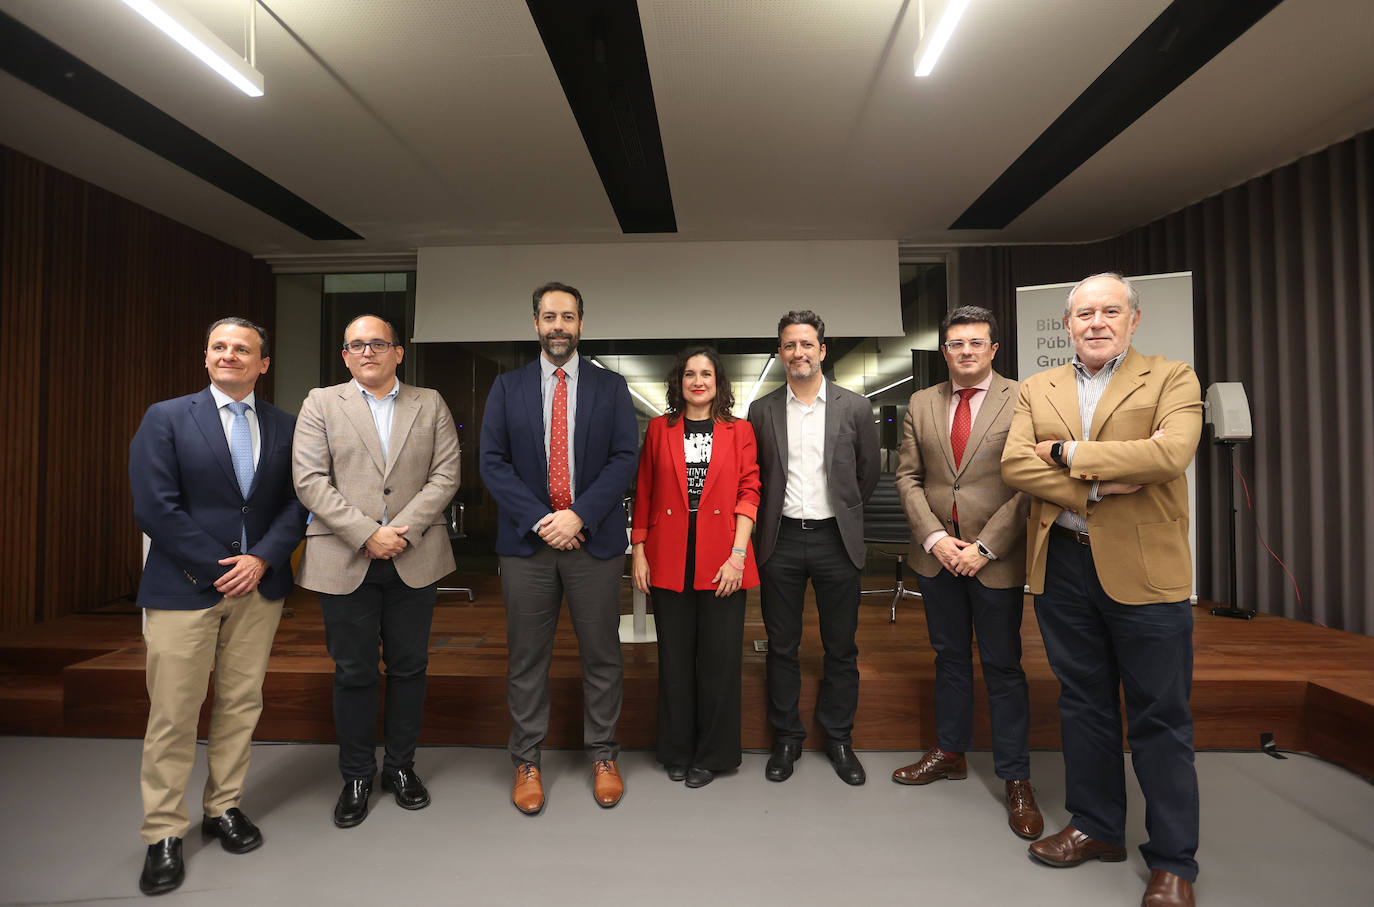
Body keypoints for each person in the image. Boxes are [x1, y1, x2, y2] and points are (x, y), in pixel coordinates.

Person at [1001, 273, 1203, 907]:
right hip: (1062, 564)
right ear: (1067, 324)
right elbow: (1013, 463)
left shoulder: (1173, 378)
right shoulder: (1038, 386)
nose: (1096, 323)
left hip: (1145, 571)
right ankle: (1095, 826)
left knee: (1159, 716)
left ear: (1133, 320)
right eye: (1083, 313)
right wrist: (1092, 486)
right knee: (1083, 703)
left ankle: (1173, 862)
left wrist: (1064, 451)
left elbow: (1169, 455)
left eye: (1109, 312)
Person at [129, 317, 307, 896]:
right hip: (184, 588)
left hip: (258, 588)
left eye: (242, 349)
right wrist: (219, 567)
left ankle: (223, 806)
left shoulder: (285, 425)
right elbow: (156, 506)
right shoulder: (167, 418)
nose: (229, 356)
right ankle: (163, 832)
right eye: (219, 347)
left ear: (264, 363)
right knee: (174, 714)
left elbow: (295, 504)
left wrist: (262, 561)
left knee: (239, 703)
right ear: (206, 358)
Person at [292, 315, 460, 829]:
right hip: (344, 558)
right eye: (357, 345)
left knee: (410, 669)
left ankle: (402, 768)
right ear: (344, 355)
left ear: (398, 352)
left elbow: (446, 474)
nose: (368, 352)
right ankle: (358, 774)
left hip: (416, 556)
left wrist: (400, 529)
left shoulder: (428, 402)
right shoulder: (320, 403)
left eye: (378, 344)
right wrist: (367, 532)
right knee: (354, 671)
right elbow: (309, 479)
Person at [479, 281, 639, 814]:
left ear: (580, 324)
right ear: (535, 324)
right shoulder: (507, 387)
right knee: (528, 659)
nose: (558, 326)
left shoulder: (610, 387)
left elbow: (623, 460)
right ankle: (526, 760)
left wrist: (578, 516)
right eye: (549, 316)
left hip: (593, 542)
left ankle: (603, 754)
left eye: (567, 317)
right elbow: (492, 463)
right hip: (528, 545)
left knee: (603, 656)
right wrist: (543, 519)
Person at [891, 305, 1041, 839]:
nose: (967, 351)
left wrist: (983, 547)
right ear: (945, 351)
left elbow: (1029, 480)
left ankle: (1016, 777)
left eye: (977, 342)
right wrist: (935, 539)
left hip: (992, 558)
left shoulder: (1022, 397)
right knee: (949, 659)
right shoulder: (920, 402)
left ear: (994, 349)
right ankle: (950, 752)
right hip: (936, 558)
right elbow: (908, 478)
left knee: (1003, 667)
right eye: (957, 343)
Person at [748, 310, 880, 785]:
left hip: (835, 541)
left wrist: (840, 513)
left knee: (840, 647)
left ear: (822, 350)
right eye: (789, 345)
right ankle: (787, 738)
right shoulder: (761, 411)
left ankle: (839, 738)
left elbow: (868, 476)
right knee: (782, 647)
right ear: (780, 353)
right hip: (779, 540)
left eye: (806, 344)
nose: (798, 353)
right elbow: (756, 478)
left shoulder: (856, 408)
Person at [631, 346, 761, 788]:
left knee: (721, 663)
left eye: (707, 374)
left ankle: (713, 755)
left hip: (723, 560)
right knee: (675, 662)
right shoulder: (657, 429)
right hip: (668, 559)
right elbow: (644, 492)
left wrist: (738, 556)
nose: (698, 381)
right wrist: (640, 551)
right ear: (679, 382)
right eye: (690, 374)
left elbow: (749, 492)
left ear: (719, 383)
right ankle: (677, 750)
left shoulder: (740, 431)